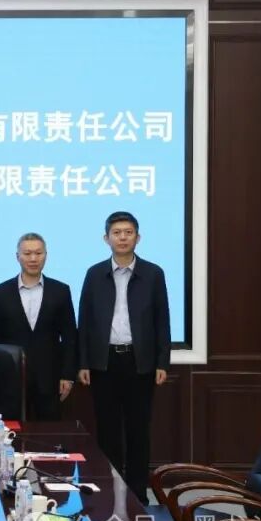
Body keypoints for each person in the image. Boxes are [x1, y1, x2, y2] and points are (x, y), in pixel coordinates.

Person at [77, 211, 170, 505]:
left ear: (137, 238)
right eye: (116, 233)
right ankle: (111, 490)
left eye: (128, 232)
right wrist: (83, 362)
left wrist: (162, 362)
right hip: (104, 362)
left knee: (138, 430)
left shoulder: (153, 274)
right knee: (108, 431)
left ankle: (138, 493)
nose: (122, 238)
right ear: (106, 238)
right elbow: (85, 321)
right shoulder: (94, 274)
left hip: (139, 362)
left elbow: (162, 320)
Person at [0, 233, 77, 421]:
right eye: (27, 253)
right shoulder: (0, 292)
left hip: (50, 377)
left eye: (38, 253)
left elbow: (70, 337)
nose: (33, 258)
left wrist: (68, 375)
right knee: (13, 430)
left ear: (46, 255)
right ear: (17, 256)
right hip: (11, 376)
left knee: (49, 431)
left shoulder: (60, 290)